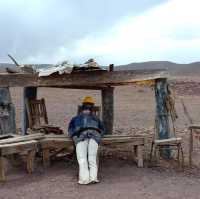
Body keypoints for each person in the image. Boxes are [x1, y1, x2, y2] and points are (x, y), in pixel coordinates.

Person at [68, 96, 105, 185]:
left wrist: (75, 137)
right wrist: (98, 135)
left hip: (81, 137)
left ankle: (84, 179)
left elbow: (70, 130)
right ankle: (93, 178)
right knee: (91, 158)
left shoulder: (76, 118)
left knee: (82, 159)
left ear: (82, 107)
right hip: (93, 137)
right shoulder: (96, 118)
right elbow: (103, 129)